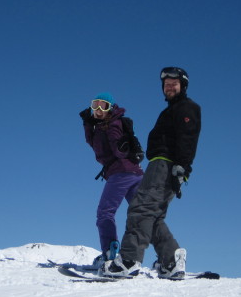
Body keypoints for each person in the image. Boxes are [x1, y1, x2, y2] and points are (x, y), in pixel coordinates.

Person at [102, 67, 201, 278]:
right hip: (160, 165)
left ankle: (129, 260)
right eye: (166, 84)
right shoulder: (171, 110)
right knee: (153, 215)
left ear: (183, 86)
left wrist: (182, 168)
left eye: (174, 83)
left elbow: (188, 138)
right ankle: (171, 261)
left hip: (165, 165)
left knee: (141, 209)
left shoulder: (187, 108)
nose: (170, 87)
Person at [80, 92, 144, 267]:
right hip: (135, 173)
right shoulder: (101, 127)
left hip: (121, 173)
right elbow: (92, 143)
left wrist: (119, 143)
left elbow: (118, 151)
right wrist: (87, 123)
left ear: (111, 109)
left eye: (103, 106)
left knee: (105, 213)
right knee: (143, 215)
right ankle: (167, 256)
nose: (99, 109)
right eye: (95, 105)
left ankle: (109, 253)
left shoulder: (113, 124)